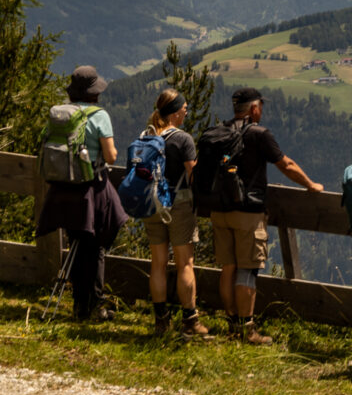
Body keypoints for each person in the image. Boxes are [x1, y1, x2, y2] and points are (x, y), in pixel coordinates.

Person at [212, 88, 324, 345]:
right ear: (253, 108)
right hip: (248, 212)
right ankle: (247, 330)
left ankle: (231, 325)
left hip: (219, 210)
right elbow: (286, 165)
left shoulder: (219, 131)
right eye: (260, 106)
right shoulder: (259, 134)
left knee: (227, 269)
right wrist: (310, 185)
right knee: (248, 271)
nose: (262, 110)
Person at [35, 66, 127, 321]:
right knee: (95, 246)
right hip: (91, 188)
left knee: (76, 242)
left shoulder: (60, 114)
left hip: (62, 188)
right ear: (94, 93)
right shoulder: (99, 116)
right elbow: (110, 156)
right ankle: (96, 306)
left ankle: (79, 306)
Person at [141, 89, 208, 338]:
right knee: (185, 263)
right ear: (176, 111)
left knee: (157, 263)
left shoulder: (147, 135)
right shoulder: (183, 140)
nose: (187, 111)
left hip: (151, 204)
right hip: (178, 206)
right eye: (185, 108)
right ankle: (190, 320)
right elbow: (194, 176)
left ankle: (161, 321)